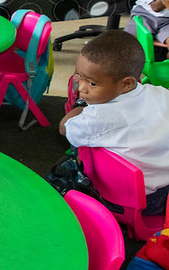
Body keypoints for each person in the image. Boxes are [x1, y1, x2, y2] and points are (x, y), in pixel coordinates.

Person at [60, 30, 169, 215]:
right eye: (79, 76)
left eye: (92, 84)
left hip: (133, 201)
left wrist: (81, 104)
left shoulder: (97, 118)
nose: (82, 88)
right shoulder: (161, 93)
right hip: (164, 191)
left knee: (72, 160)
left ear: (126, 84)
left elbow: (64, 128)